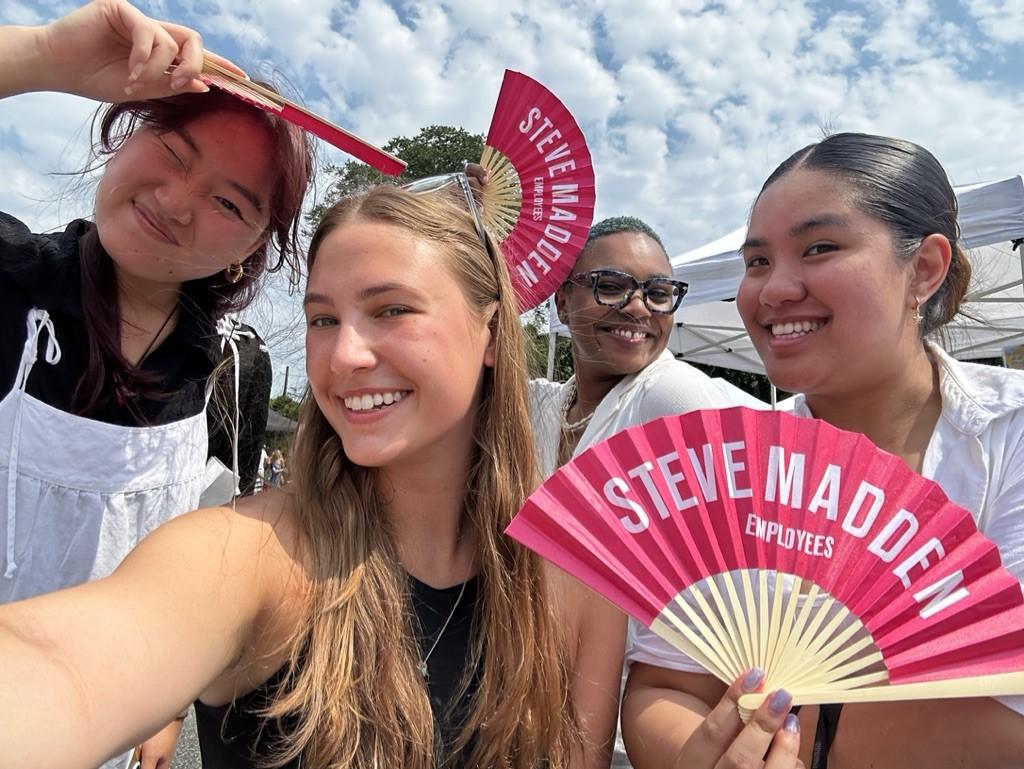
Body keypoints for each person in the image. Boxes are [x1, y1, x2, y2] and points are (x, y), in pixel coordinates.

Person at [0, 179, 647, 768]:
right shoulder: (253, 554)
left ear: (490, 333)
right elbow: (57, 666)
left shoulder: (572, 580)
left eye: (391, 309)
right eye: (323, 319)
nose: (343, 355)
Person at [622, 132, 1024, 768]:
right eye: (756, 262)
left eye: (820, 248)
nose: (774, 290)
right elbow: (666, 686)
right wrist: (699, 755)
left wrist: (795, 737)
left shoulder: (1012, 436)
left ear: (924, 267)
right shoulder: (729, 468)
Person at [0, 1, 311, 766]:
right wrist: (41, 55)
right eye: (171, 151)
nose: (176, 203)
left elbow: (210, 546)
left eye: (230, 202)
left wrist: (171, 694)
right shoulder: (9, 281)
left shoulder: (233, 368)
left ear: (250, 251)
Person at [526, 215, 763, 479]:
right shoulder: (548, 406)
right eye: (610, 286)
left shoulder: (670, 396)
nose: (639, 307)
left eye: (659, 293)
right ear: (562, 304)